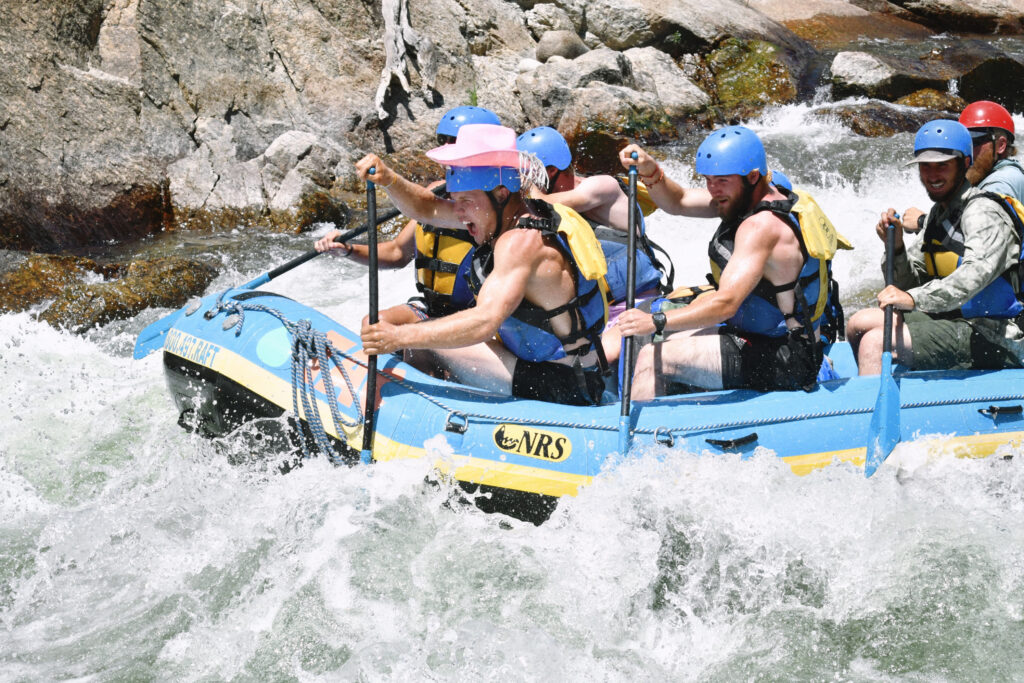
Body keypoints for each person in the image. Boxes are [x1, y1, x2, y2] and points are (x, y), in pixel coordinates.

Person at [356, 123, 612, 406]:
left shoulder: (523, 242)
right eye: (455, 200)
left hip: (561, 386)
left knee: (422, 337)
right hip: (560, 370)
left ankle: (418, 412)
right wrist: (389, 179)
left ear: (501, 193)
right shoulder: (513, 210)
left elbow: (484, 321)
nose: (459, 212)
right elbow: (427, 208)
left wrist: (396, 337)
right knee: (429, 332)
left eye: (465, 200)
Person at [613, 125, 842, 398]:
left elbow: (726, 304)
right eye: (708, 179)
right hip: (763, 336)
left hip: (786, 356)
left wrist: (656, 320)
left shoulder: (762, 227)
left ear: (753, 176)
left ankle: (645, 441)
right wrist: (652, 171)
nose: (713, 189)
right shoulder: (753, 197)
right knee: (669, 338)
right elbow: (679, 200)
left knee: (653, 357)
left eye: (721, 181)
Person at [846, 119, 1024, 375]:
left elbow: (973, 277)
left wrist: (914, 299)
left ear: (964, 163)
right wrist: (896, 249)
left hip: (997, 335)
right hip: (956, 320)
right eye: (925, 166)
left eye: (942, 165)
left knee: (874, 342)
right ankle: (873, 392)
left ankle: (871, 410)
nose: (932, 175)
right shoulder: (938, 214)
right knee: (859, 323)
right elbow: (909, 284)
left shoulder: (984, 211)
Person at [314, 105, 501, 324]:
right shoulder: (435, 191)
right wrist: (349, 250)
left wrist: (389, 179)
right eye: (445, 142)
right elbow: (397, 253)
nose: (448, 151)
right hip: (431, 308)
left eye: (455, 143)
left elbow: (425, 206)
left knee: (418, 346)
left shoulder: (494, 203)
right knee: (373, 323)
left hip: (474, 317)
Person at [900, 101, 1024, 231]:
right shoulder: (998, 174)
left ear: (1000, 145)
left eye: (973, 142)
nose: (966, 151)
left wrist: (922, 222)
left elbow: (979, 234)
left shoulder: (1001, 183)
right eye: (961, 144)